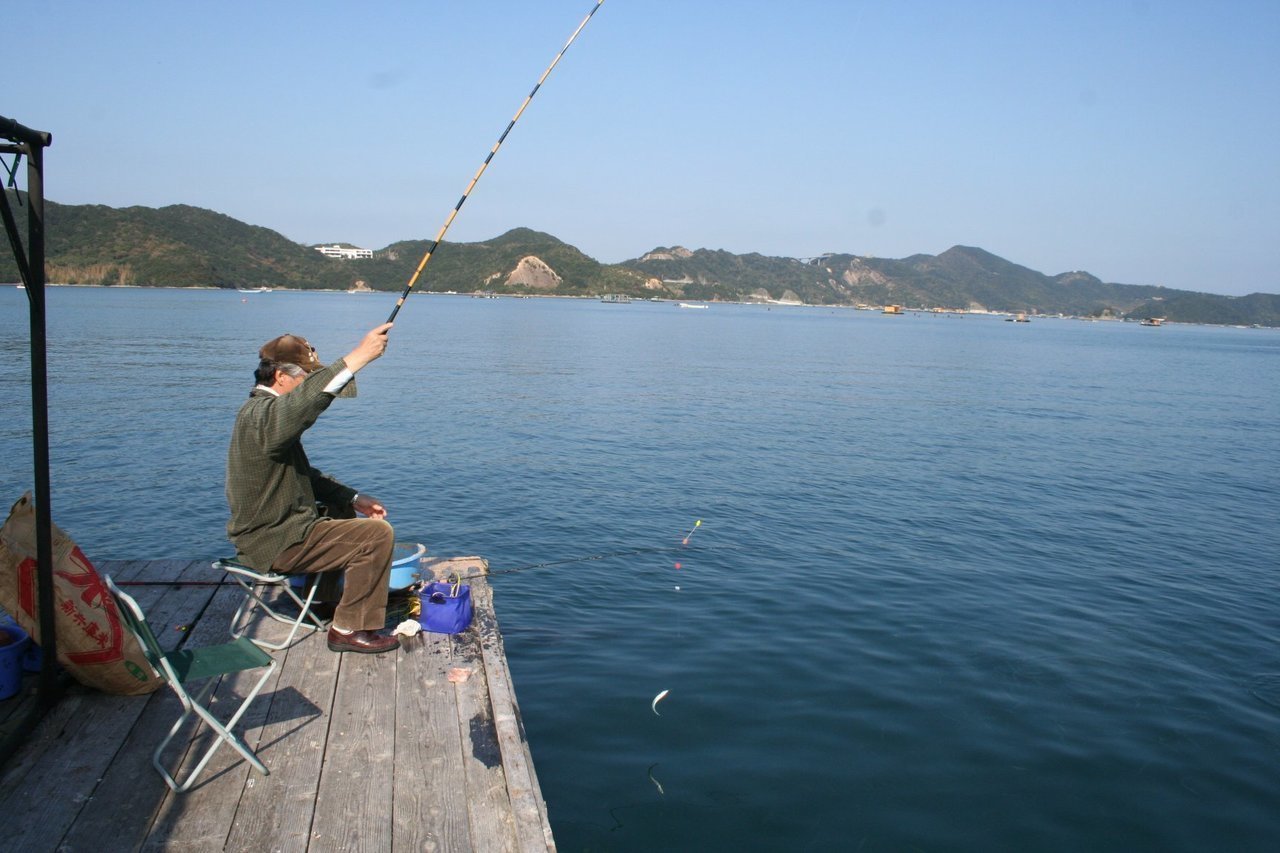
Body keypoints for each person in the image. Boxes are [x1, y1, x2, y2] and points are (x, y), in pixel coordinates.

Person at [225, 322, 400, 654]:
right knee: (377, 536)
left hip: (274, 533)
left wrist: (353, 497)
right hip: (274, 542)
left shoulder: (262, 419)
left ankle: (322, 603)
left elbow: (307, 475)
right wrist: (359, 356)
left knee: (340, 511)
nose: (307, 385)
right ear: (280, 377)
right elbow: (305, 404)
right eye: (304, 377)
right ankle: (350, 628)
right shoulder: (261, 417)